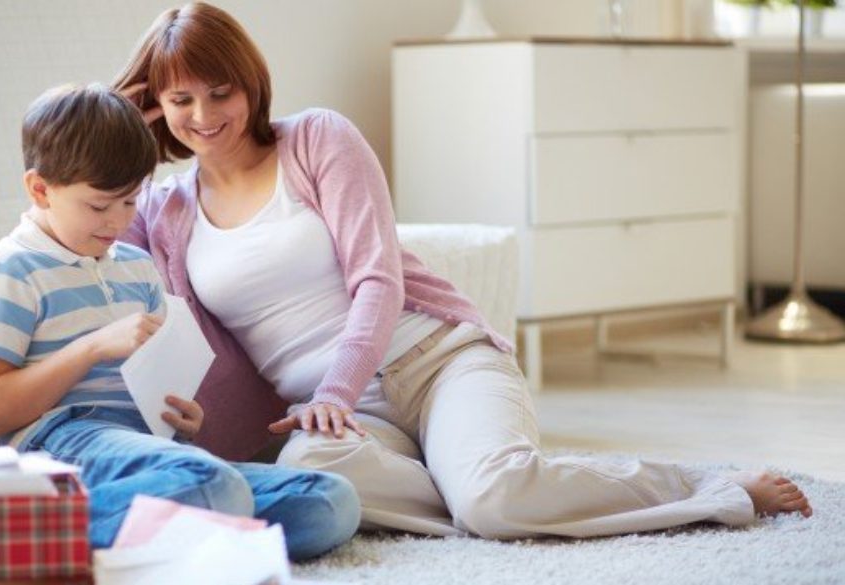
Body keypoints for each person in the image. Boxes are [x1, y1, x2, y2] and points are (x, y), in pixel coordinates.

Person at [114, 2, 813, 539]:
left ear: (251, 85)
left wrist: (335, 386)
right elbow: (118, 255)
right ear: (157, 104)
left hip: (437, 361)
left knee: (495, 498)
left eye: (220, 92)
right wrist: (127, 130)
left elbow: (378, 279)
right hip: (344, 420)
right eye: (180, 100)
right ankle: (476, 480)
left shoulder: (316, 138)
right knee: (307, 472)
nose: (204, 115)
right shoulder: (163, 210)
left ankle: (706, 485)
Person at [0, 83, 360, 559]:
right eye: (98, 205)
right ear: (40, 189)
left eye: (129, 203)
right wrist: (91, 347)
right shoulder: (11, 270)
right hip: (63, 442)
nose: (115, 222)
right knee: (215, 486)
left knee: (329, 501)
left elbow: (157, 389)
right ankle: (21, 527)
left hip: (146, 449)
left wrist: (183, 423)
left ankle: (173, 538)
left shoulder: (133, 265)